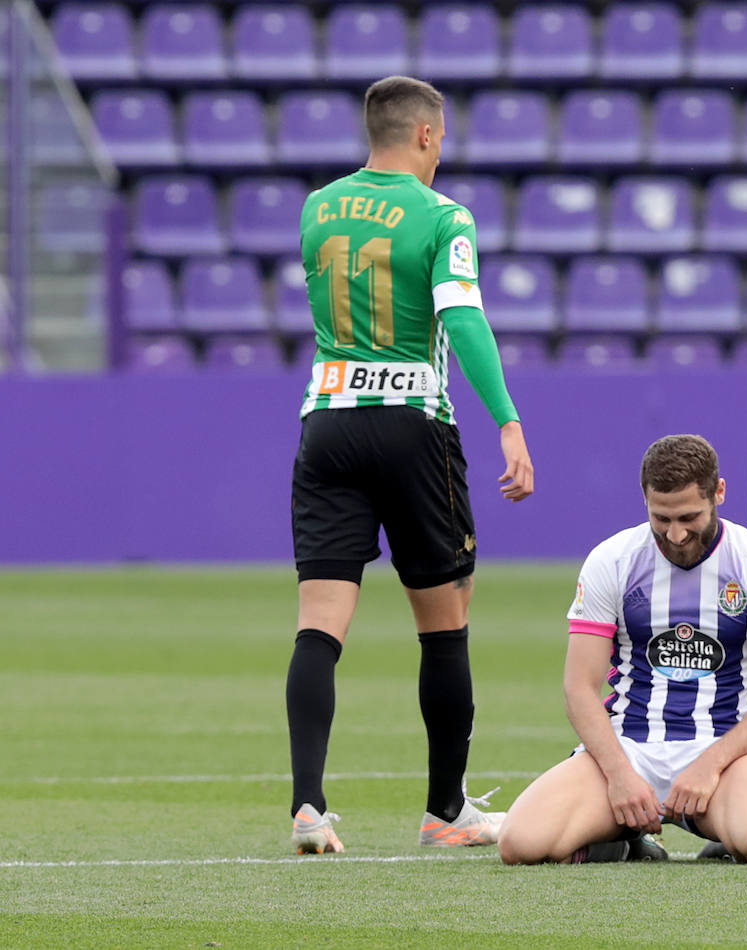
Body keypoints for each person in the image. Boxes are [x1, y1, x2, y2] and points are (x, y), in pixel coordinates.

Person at [286, 76, 534, 854]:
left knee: (319, 625)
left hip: (326, 422)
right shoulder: (442, 215)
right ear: (427, 135)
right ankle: (444, 812)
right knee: (445, 620)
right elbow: (461, 317)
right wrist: (508, 420)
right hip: (413, 424)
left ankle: (307, 808)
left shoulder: (317, 206)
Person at [498, 435, 747, 865]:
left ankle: (738, 829)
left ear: (719, 493)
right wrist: (620, 774)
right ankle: (625, 840)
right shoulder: (612, 560)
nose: (676, 534)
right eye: (661, 518)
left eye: (688, 517)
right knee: (520, 845)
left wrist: (711, 764)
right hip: (628, 747)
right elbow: (580, 688)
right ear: (644, 498)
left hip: (725, 755)